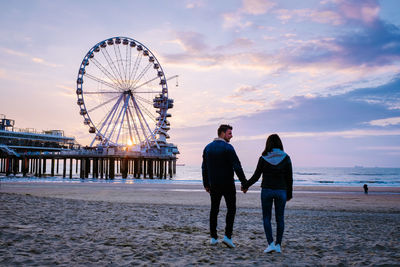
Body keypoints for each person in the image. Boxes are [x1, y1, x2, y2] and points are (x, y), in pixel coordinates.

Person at [242, 134, 293, 253]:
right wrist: (289, 194)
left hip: (267, 191)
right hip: (281, 191)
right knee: (280, 219)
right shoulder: (286, 158)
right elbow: (289, 178)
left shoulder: (263, 158)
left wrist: (245, 186)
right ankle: (278, 245)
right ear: (280, 144)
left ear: (268, 144)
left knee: (266, 218)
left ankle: (270, 244)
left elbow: (256, 176)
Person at [202, 124, 247, 248]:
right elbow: (237, 166)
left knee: (214, 210)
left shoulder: (207, 148)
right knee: (231, 210)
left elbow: (204, 167)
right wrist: (244, 183)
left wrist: (206, 183)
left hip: (214, 184)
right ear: (222, 133)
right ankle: (227, 237)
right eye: (229, 133)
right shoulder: (228, 148)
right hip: (228, 184)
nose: (231, 136)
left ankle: (213, 238)